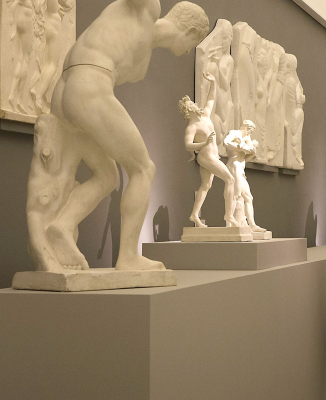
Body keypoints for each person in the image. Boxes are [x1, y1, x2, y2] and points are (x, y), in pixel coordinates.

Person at [28, 1, 209, 272]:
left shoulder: (144, 46)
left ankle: (62, 226)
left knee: (107, 176)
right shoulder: (148, 9)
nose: (187, 52)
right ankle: (128, 257)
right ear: (191, 32)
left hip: (65, 93)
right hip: (89, 85)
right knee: (143, 169)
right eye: (194, 44)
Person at [179, 72, 237, 228]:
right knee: (230, 179)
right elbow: (187, 145)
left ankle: (194, 215)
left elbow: (211, 99)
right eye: (192, 104)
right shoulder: (192, 127)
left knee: (206, 186)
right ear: (188, 110)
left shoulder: (205, 116)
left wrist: (213, 83)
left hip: (212, 156)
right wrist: (204, 143)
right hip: (206, 157)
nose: (195, 105)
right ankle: (229, 215)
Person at [223, 121, 266, 232]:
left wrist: (251, 152)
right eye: (250, 130)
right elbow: (226, 142)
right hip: (234, 165)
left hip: (240, 168)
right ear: (246, 127)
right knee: (236, 194)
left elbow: (246, 157)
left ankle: (252, 224)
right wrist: (241, 147)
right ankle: (229, 222)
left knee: (248, 197)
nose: (250, 133)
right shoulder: (234, 133)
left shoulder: (246, 138)